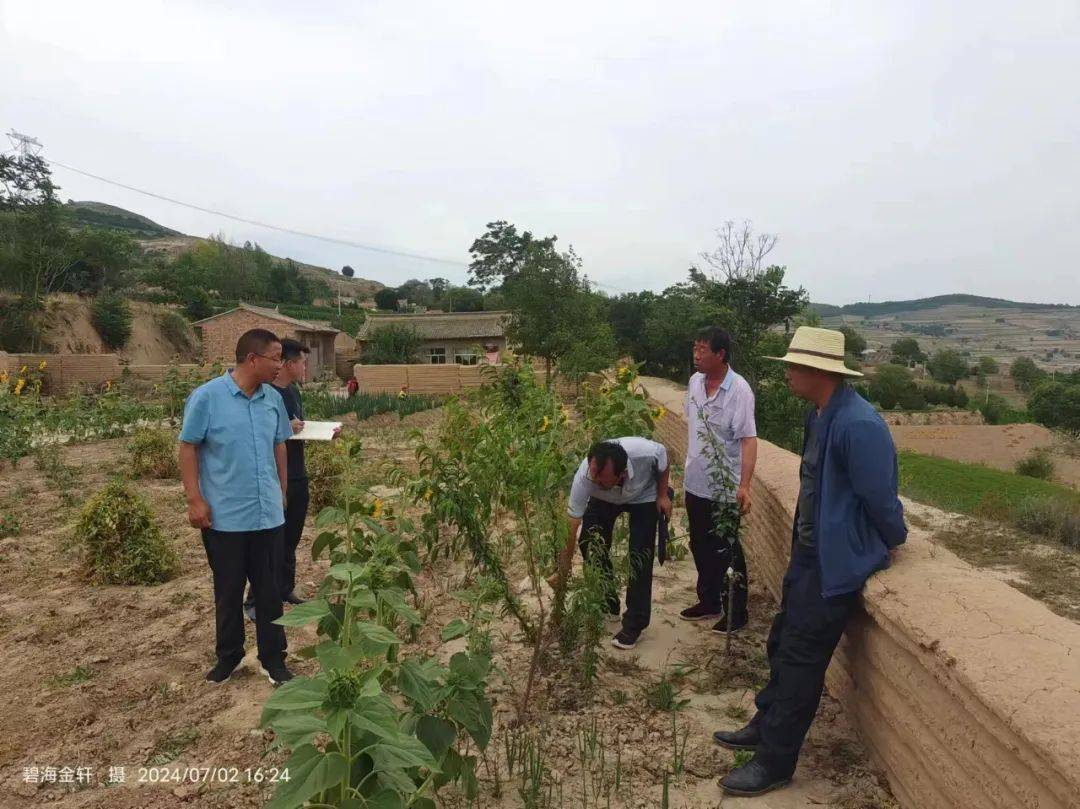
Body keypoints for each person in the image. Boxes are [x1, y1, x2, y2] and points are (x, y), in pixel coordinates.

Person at [714, 327, 907, 797]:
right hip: (809, 554)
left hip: (835, 565)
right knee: (782, 641)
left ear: (819, 371)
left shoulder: (858, 425)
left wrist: (892, 540)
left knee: (801, 660)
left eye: (793, 365)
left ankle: (775, 761)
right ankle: (766, 721)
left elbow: (880, 497)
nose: (786, 372)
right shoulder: (819, 415)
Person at [179, 328, 294, 686]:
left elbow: (280, 445)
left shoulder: (273, 399)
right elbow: (188, 448)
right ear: (252, 359)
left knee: (270, 591)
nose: (281, 365)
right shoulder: (207, 398)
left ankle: (273, 659)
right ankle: (228, 657)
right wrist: (195, 499)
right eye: (276, 357)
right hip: (225, 517)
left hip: (267, 516)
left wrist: (283, 492)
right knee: (228, 591)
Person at [553, 438, 672, 650]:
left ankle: (634, 623)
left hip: (643, 495)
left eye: (602, 479)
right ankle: (609, 602)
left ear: (622, 473)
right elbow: (571, 525)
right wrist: (564, 568)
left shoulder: (645, 453)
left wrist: (662, 495)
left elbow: (663, 458)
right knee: (589, 541)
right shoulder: (587, 477)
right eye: (593, 476)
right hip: (605, 500)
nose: (595, 481)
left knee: (640, 556)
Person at [680, 326, 757, 633]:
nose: (696, 355)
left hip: (724, 488)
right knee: (699, 544)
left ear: (720, 354)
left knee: (726, 549)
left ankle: (737, 612)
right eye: (694, 349)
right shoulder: (695, 383)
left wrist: (744, 486)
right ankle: (709, 600)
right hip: (695, 482)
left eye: (702, 350)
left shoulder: (739, 391)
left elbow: (748, 440)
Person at [244, 339, 316, 622]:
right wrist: (287, 428)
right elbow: (264, 436)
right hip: (276, 478)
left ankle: (285, 588)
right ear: (288, 363)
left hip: (299, 474)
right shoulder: (267, 395)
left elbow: (294, 428)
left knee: (291, 539)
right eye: (301, 361)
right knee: (271, 542)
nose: (304, 366)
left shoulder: (292, 392)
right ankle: (255, 599)